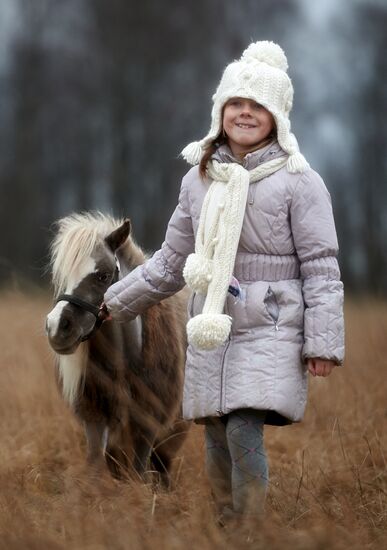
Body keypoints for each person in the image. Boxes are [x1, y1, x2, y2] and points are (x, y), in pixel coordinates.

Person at [101, 41, 345, 519]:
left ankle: (250, 528)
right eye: (236, 102)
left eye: (259, 105)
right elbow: (171, 262)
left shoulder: (300, 181)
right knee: (213, 428)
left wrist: (323, 342)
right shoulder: (199, 179)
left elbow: (321, 266)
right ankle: (224, 523)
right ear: (220, 110)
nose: (246, 113)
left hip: (271, 323)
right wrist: (115, 301)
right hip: (211, 324)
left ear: (278, 117)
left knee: (241, 426)